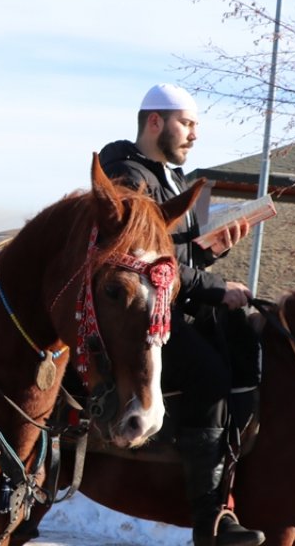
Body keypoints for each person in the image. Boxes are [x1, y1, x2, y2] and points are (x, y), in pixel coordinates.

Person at [98, 83, 263, 546]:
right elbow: (147, 266)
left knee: (245, 351)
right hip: (142, 316)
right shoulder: (131, 179)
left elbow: (176, 262)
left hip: (176, 304)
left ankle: (232, 491)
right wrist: (214, 287)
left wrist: (211, 255)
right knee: (209, 377)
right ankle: (208, 518)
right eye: (187, 123)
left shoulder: (166, 176)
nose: (194, 135)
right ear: (156, 122)